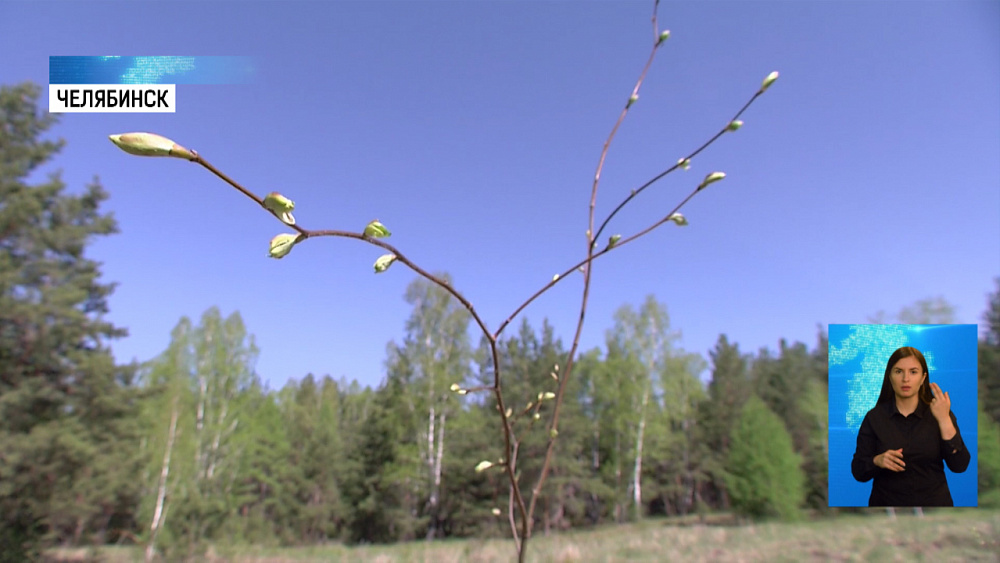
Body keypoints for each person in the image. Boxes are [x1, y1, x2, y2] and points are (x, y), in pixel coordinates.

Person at [851, 346, 970, 506]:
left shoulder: (941, 413)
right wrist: (877, 461)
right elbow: (858, 471)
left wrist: (944, 420)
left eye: (913, 372)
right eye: (898, 371)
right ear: (889, 377)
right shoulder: (874, 418)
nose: (905, 379)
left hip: (935, 507)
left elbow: (960, 466)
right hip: (885, 507)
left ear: (923, 378)